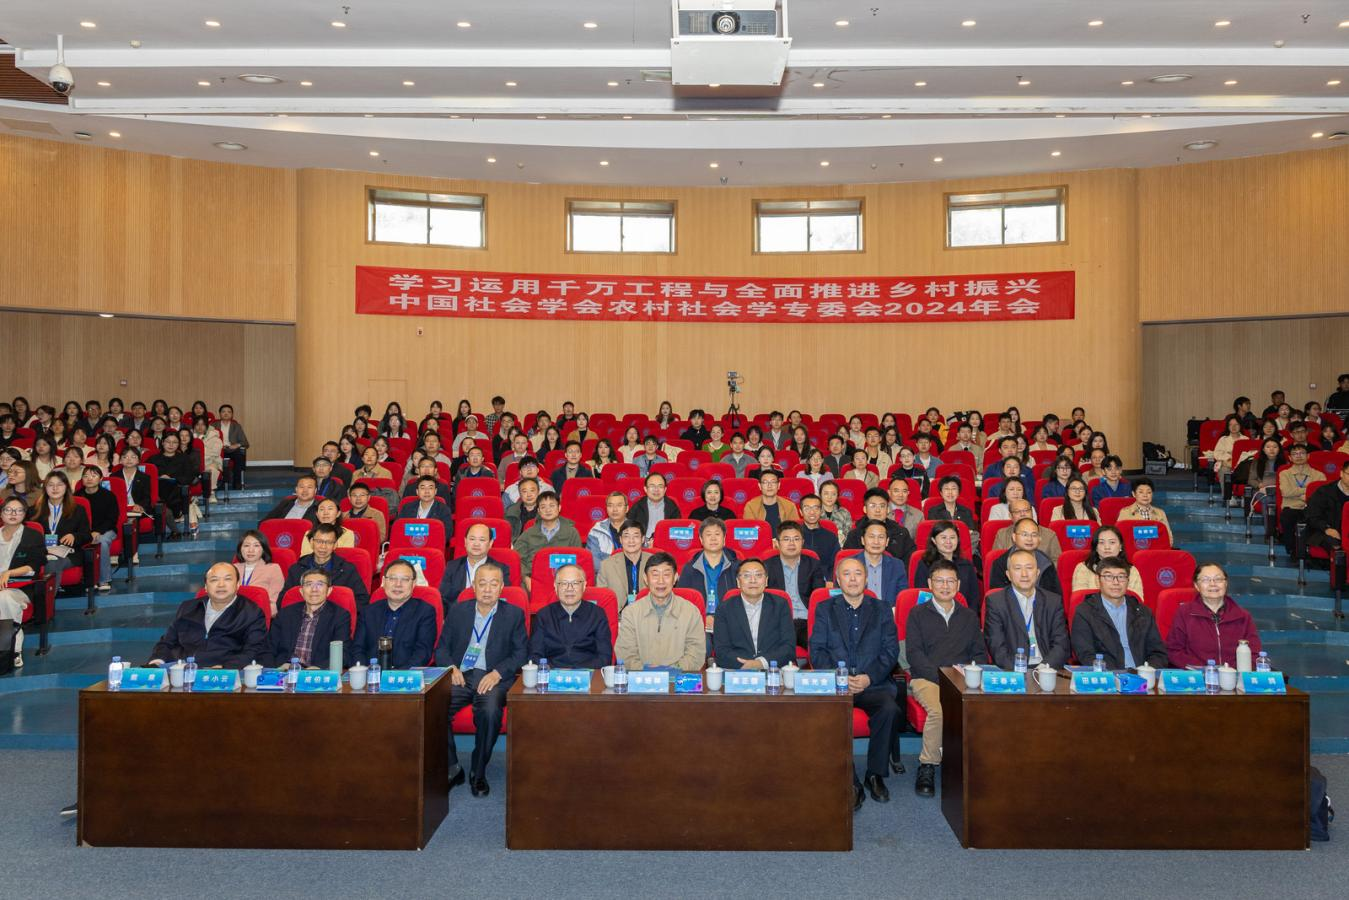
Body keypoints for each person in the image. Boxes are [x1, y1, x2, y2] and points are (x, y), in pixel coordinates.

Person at [811, 556, 901, 809]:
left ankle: (875, 774)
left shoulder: (882, 609)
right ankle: (850, 781)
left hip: (872, 683)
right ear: (838, 580)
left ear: (866, 579)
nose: (852, 579)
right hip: (836, 685)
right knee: (830, 712)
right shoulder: (825, 609)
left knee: (889, 709)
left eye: (858, 573)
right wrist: (839, 678)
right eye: (847, 574)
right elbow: (817, 651)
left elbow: (890, 651)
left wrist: (868, 677)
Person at [904, 558, 986, 798]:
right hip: (927, 678)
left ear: (958, 585)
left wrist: (969, 675)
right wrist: (943, 678)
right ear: (930, 584)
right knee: (939, 711)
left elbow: (979, 654)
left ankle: (973, 763)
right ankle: (927, 764)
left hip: (962, 678)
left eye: (950, 581)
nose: (945, 586)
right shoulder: (917, 614)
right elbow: (914, 655)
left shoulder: (969, 616)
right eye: (939, 581)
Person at [147, 562, 267, 667]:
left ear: (237, 584)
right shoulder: (188, 607)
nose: (221, 584)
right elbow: (167, 642)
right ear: (205, 587)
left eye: (227, 579)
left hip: (222, 674)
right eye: (214, 580)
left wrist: (226, 667)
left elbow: (253, 650)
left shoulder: (251, 613)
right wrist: (157, 661)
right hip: (181, 669)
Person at [1070, 557, 1168, 669]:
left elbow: (1158, 653)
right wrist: (1115, 674)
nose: (1116, 582)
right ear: (1098, 580)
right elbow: (1086, 654)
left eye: (1121, 577)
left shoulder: (1143, 612)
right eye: (1108, 576)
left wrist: (1148, 670)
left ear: (1128, 581)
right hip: (1108, 675)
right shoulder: (1085, 612)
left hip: (1142, 675)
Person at [614, 552, 705, 671]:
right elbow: (625, 654)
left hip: (678, 678)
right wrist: (649, 673)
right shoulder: (631, 613)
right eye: (655, 575)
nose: (661, 581)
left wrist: (671, 671)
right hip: (641, 679)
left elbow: (696, 654)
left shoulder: (691, 612)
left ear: (675, 578)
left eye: (666, 575)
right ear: (645, 579)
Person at [983, 548, 1071, 671]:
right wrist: (1018, 672)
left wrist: (1043, 669)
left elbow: (1061, 644)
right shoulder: (996, 602)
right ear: (1008, 575)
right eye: (1018, 568)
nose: (1024, 574)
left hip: (1047, 668)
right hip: (1012, 670)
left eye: (1029, 568)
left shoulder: (1053, 601)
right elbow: (997, 648)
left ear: (1038, 572)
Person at [1165, 563, 1261, 667]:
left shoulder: (1243, 616)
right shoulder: (1184, 613)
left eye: (1218, 579)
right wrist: (1204, 669)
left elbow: (1254, 653)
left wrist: (1231, 671)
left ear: (1226, 583)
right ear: (1196, 586)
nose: (1213, 584)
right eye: (1205, 580)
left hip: (1234, 674)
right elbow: (1174, 651)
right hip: (1197, 674)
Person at [712, 558, 795, 669]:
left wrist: (761, 663)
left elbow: (788, 647)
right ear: (738, 582)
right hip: (737, 670)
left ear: (766, 581)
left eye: (758, 575)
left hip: (773, 669)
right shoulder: (724, 609)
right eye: (746, 575)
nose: (753, 580)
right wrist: (746, 665)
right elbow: (721, 650)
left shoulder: (780, 605)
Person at [356, 559, 438, 672]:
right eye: (392, 578)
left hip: (405, 677)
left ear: (414, 583)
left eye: (405, 579)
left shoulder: (425, 612)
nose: (398, 584)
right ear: (384, 581)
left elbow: (422, 653)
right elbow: (357, 649)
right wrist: (364, 672)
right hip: (370, 675)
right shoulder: (368, 612)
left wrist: (396, 676)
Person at [264, 568, 353, 669]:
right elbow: (268, 649)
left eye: (320, 584)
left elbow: (343, 653)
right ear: (301, 591)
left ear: (329, 590)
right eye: (309, 584)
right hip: (285, 670)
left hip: (318, 672)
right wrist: (279, 667)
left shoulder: (340, 616)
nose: (314, 589)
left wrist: (319, 668)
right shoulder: (285, 614)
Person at [528, 563, 613, 669]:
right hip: (552, 674)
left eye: (575, 583)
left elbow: (605, 657)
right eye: (564, 583)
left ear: (584, 586)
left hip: (588, 673)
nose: (569, 588)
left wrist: (576, 672)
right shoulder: (543, 616)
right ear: (555, 586)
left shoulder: (597, 614)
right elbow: (535, 656)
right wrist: (558, 672)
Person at [764, 521, 826, 649]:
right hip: (778, 622)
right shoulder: (766, 566)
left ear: (802, 542)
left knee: (818, 646)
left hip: (806, 622)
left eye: (796, 539)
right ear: (777, 543)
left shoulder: (813, 564)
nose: (792, 543)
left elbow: (819, 597)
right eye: (786, 539)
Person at [0, 496, 45, 670]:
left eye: (18, 510)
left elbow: (35, 565)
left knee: (4, 598)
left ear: (25, 514)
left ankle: (13, 650)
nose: (13, 514)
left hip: (20, 588)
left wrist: (9, 573)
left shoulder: (32, 536)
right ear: (1, 513)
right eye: (8, 510)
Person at [281, 523, 371, 606]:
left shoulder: (347, 570)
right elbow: (284, 600)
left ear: (335, 545)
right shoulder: (297, 569)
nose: (323, 547)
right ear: (311, 542)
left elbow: (362, 600)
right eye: (319, 541)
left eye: (328, 542)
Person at [676, 517, 739, 634]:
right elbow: (681, 603)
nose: (713, 538)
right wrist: (703, 618)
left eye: (717, 534)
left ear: (724, 539)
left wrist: (721, 619)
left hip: (731, 623)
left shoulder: (737, 567)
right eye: (708, 534)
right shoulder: (690, 569)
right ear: (701, 539)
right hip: (698, 624)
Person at [31, 472, 92, 587]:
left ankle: (46, 598)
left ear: (66, 487)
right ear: (45, 488)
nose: (55, 488)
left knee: (52, 564)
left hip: (68, 553)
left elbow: (87, 536)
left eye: (59, 485)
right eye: (50, 485)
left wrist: (74, 536)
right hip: (42, 552)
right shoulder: (34, 511)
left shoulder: (78, 510)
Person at [513, 492, 582, 592]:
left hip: (564, 580)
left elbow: (579, 560)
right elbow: (517, 559)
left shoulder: (572, 533)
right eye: (543, 507)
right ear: (538, 511)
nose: (548, 510)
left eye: (552, 506)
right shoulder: (528, 534)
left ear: (559, 508)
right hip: (533, 579)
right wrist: (526, 578)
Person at [911, 522, 980, 609]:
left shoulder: (967, 565)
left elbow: (973, 599)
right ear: (934, 540)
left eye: (952, 537)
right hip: (932, 613)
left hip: (963, 613)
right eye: (943, 537)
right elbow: (924, 597)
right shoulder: (925, 564)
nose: (948, 541)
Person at [440, 522, 514, 598]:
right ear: (465, 541)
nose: (476, 544)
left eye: (482, 540)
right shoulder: (452, 566)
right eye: (472, 539)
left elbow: (503, 598)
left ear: (490, 543)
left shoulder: (501, 569)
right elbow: (444, 598)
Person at [844, 488, 916, 564]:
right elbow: (847, 563)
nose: (878, 510)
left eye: (882, 506)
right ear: (865, 509)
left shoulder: (901, 533)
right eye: (873, 506)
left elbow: (910, 563)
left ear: (888, 509)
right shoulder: (854, 535)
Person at [1070, 524, 1146, 596]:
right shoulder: (1084, 568)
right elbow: (1080, 599)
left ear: (1120, 546)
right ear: (1096, 547)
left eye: (1112, 542)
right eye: (1101, 542)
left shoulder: (1131, 570)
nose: (1107, 547)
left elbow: (1136, 600)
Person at [1278, 444, 1324, 557]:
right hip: (1291, 508)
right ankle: (1293, 551)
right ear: (1290, 458)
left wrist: (1297, 493)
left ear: (1308, 456)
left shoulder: (1319, 475)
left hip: (1311, 509)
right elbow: (1286, 492)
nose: (1298, 456)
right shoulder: (1284, 473)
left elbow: (1320, 495)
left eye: (1302, 453)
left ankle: (1311, 551)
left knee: (1319, 518)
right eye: (1295, 454)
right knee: (1287, 517)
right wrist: (1308, 491)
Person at [596, 519, 651, 612]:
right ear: (621, 540)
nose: (631, 541)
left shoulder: (654, 563)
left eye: (636, 536)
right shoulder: (607, 565)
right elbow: (601, 598)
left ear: (642, 539)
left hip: (648, 615)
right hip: (618, 616)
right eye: (626, 536)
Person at [77, 467, 117, 592]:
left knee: (102, 541)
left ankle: (104, 579)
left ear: (100, 479)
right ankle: (87, 579)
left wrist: (98, 531)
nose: (89, 479)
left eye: (93, 476)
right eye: (86, 476)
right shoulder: (76, 496)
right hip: (84, 531)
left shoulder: (108, 495)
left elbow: (112, 519)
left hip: (106, 530)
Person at [990, 499, 1063, 563]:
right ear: (1010, 516)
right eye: (1017, 511)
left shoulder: (1049, 535)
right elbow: (997, 560)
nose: (1023, 514)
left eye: (1026, 510)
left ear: (1032, 512)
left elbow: (1057, 561)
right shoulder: (1002, 534)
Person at [856, 520, 908, 606]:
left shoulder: (897, 566)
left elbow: (902, 598)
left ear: (887, 542)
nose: (876, 542)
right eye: (871, 536)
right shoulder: (849, 565)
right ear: (862, 540)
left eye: (881, 537)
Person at [233, 529, 285, 613]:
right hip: (233, 613)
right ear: (240, 549)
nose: (251, 550)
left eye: (256, 545)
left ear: (263, 549)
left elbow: (275, 603)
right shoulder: (233, 568)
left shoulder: (273, 569)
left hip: (259, 615)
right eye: (246, 545)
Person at [1305, 461, 1349, 558]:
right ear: (1341, 473)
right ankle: (1337, 567)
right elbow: (1312, 516)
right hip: (1327, 530)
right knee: (1336, 546)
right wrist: (1326, 528)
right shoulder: (1324, 491)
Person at [741, 469, 800, 535]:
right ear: (759, 486)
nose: (769, 485)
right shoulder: (751, 506)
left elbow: (795, 532)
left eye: (773, 482)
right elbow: (750, 534)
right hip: (762, 541)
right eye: (765, 482)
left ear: (778, 485)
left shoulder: (789, 506)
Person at [1116, 477, 1172, 542]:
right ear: (1134, 494)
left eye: (1149, 492)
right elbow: (1118, 537)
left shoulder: (1160, 513)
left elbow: (1168, 537)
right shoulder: (1125, 512)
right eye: (1141, 492)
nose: (1145, 495)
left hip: (1156, 547)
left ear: (1152, 494)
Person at [584, 491, 629, 570]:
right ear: (606, 508)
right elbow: (594, 562)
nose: (614, 509)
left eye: (619, 505)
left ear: (627, 509)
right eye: (610, 505)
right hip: (604, 575)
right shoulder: (596, 531)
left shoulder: (636, 530)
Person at [798, 494, 840, 576]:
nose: (812, 512)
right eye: (807, 508)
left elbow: (836, 563)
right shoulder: (794, 536)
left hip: (824, 578)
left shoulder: (831, 537)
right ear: (801, 512)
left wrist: (830, 580)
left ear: (821, 511)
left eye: (816, 508)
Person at [630, 472, 681, 538]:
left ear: (665, 489)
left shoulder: (672, 506)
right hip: (642, 542)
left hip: (663, 541)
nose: (656, 489)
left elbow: (676, 531)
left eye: (660, 486)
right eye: (652, 486)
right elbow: (629, 528)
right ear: (645, 489)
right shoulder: (637, 506)